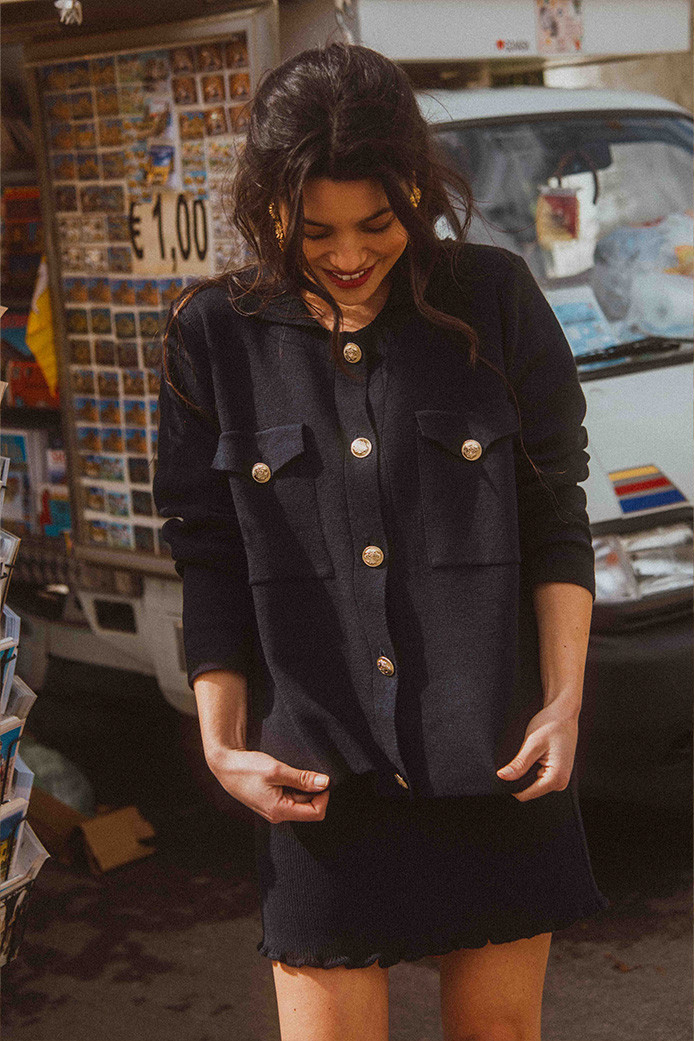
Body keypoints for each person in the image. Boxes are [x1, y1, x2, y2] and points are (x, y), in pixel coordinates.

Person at [153, 40, 609, 1041]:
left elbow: (554, 516)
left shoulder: (494, 300)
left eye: (377, 222)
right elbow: (206, 551)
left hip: (495, 753)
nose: (349, 254)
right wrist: (221, 744)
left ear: (416, 191)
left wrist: (563, 702)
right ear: (267, 206)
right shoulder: (212, 335)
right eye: (314, 229)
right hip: (315, 778)